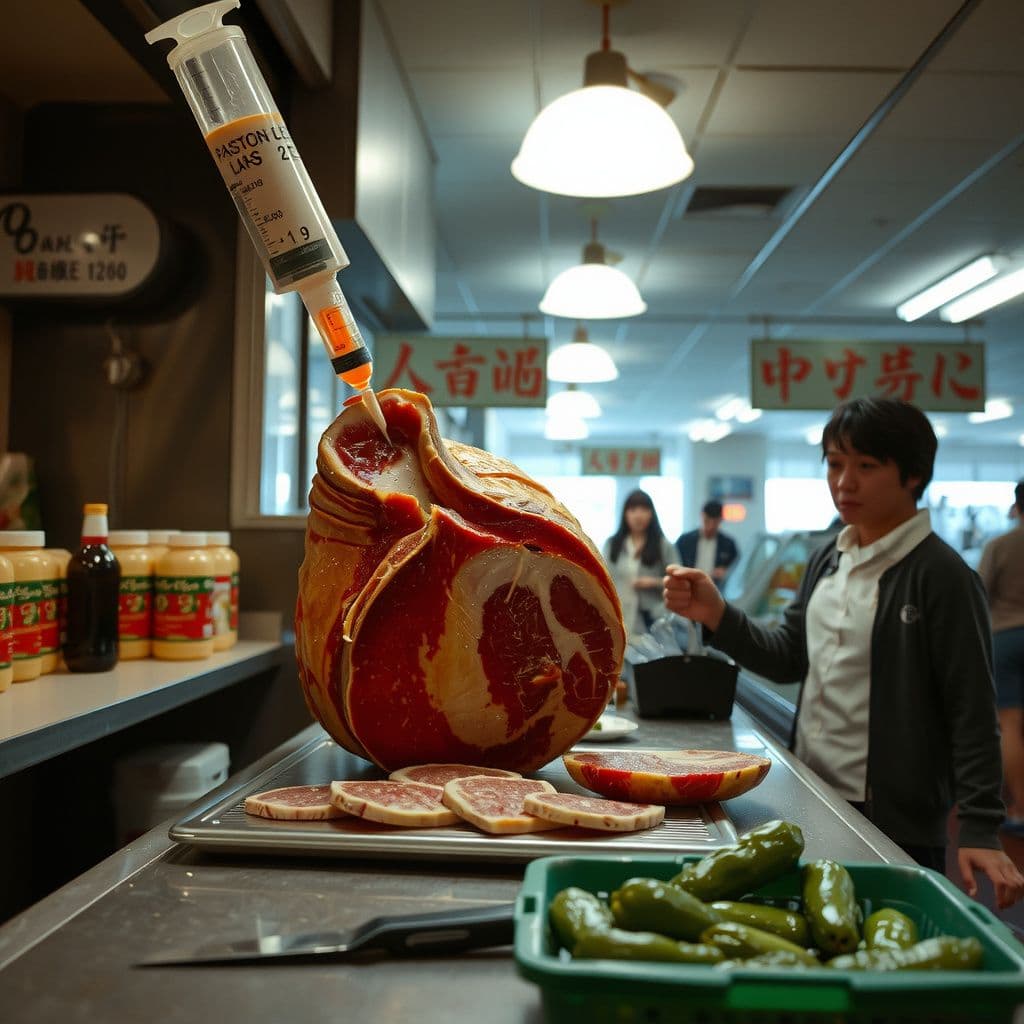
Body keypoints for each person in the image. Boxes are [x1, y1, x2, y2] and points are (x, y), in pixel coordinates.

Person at [663, 396, 1024, 909]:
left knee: (888, 937)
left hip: (897, 819)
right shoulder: (827, 559)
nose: (844, 482)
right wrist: (718, 614)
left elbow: (972, 710)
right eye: (834, 464)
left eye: (866, 466)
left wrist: (981, 828)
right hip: (813, 793)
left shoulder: (942, 576)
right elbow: (789, 655)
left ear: (913, 476)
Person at [978, 481, 1024, 837]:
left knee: (1009, 723)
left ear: (1017, 506)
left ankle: (1020, 809)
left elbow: (979, 594)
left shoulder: (1001, 545)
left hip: (1006, 637)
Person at [603, 489, 677, 636]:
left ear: (651, 513)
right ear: (625, 514)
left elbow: (678, 581)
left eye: (644, 509)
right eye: (633, 510)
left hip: (652, 620)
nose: (638, 515)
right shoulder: (612, 544)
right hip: (618, 618)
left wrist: (653, 582)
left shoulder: (663, 545)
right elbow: (603, 580)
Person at [676, 499, 739, 587]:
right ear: (702, 516)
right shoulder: (684, 541)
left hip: (717, 589)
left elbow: (738, 571)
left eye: (715, 523)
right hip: (688, 587)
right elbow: (674, 564)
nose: (710, 527)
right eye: (707, 521)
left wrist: (726, 572)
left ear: (720, 520)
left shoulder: (728, 544)